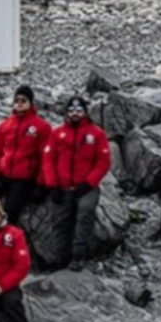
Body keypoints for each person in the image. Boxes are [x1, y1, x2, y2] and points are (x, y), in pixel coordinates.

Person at [41, 96, 112, 271]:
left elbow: (103, 162)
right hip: (62, 186)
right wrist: (52, 185)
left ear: (85, 112)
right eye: (71, 110)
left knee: (85, 213)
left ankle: (78, 256)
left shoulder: (96, 134)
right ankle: (59, 258)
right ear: (66, 113)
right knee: (60, 221)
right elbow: (48, 160)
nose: (75, 114)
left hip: (86, 187)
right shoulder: (57, 133)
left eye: (78, 110)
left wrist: (89, 183)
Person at [0, 85, 52, 225]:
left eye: (24, 100)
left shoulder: (42, 127)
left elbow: (46, 158)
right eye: (17, 100)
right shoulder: (5, 125)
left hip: (23, 179)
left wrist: (41, 184)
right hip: (2, 175)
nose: (19, 103)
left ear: (31, 103)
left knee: (9, 214)